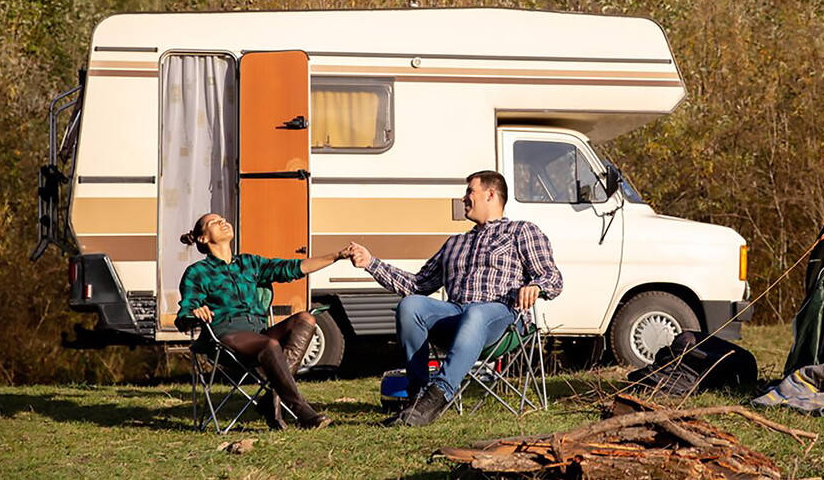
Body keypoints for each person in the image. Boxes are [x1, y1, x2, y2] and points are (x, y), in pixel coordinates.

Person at [348, 170, 563, 427]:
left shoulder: (521, 231)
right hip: (457, 316)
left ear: (491, 194)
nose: (463, 198)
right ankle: (418, 397)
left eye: (470, 191)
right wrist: (371, 263)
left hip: (503, 319)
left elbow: (552, 277)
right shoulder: (455, 243)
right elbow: (417, 285)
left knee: (477, 312)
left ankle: (437, 396)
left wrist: (536, 286)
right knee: (410, 305)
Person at [176, 212, 352, 430]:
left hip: (258, 333)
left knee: (305, 318)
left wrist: (337, 256)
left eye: (223, 219)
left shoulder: (249, 263)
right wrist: (195, 313)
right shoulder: (198, 272)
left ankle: (271, 399)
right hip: (225, 336)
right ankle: (302, 411)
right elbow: (184, 313)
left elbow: (294, 268)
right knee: (270, 344)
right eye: (214, 222)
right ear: (202, 238)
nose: (223, 222)